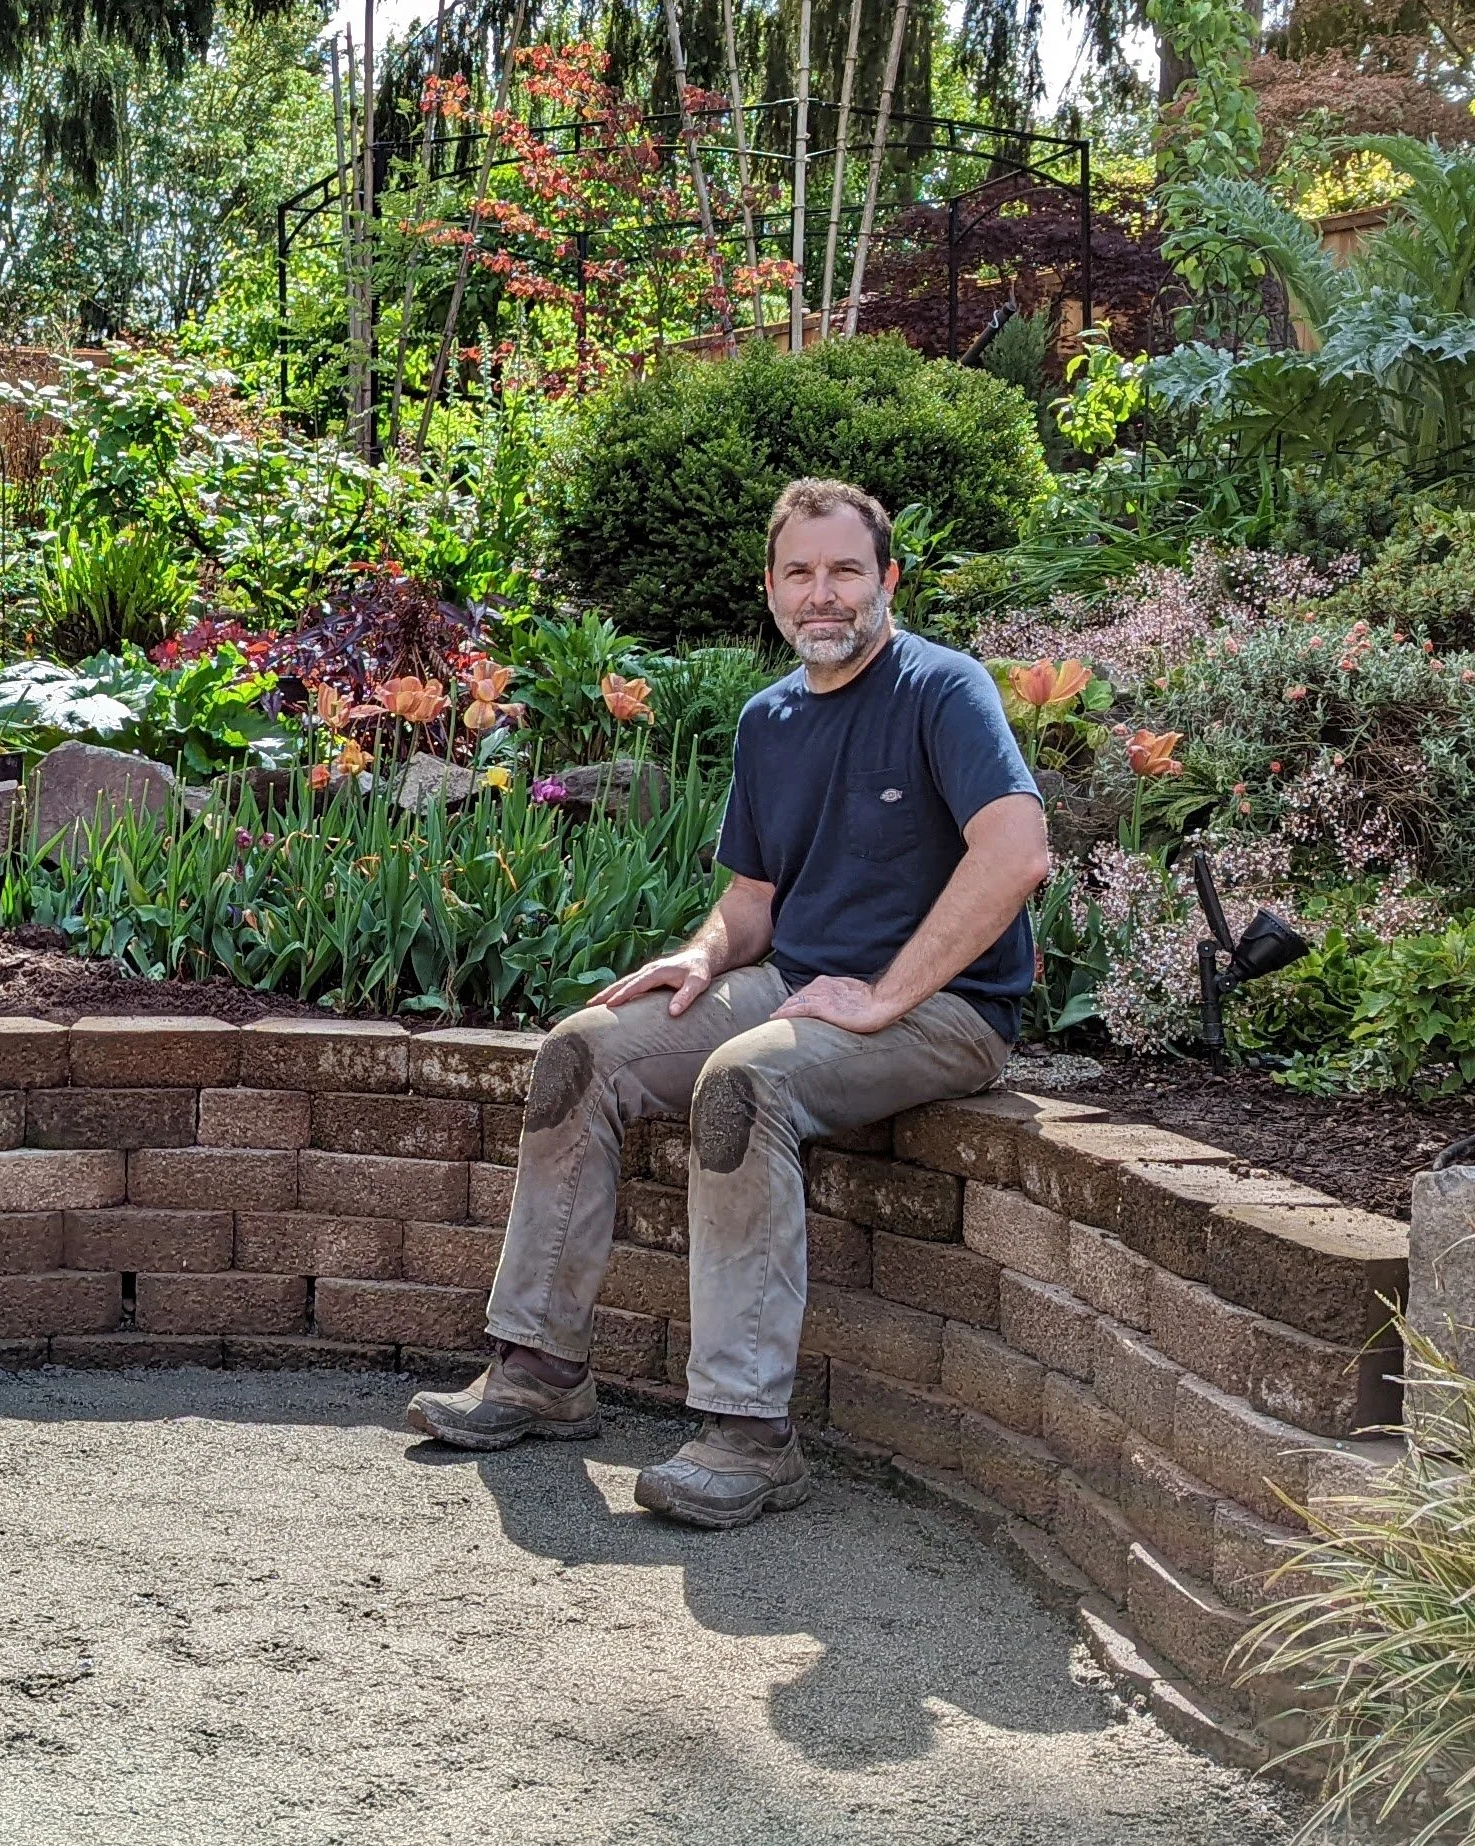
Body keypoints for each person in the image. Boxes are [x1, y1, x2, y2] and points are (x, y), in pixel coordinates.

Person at [408, 477, 1051, 1529]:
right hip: (797, 981)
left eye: (845, 570)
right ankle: (537, 1367)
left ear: (887, 578)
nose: (823, 594)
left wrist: (887, 994)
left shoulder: (944, 689)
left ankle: (748, 1434)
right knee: (583, 1050)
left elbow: (1016, 854)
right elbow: (751, 900)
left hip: (945, 1012)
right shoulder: (771, 718)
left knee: (741, 1084)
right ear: (769, 589)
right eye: (799, 574)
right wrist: (701, 956)